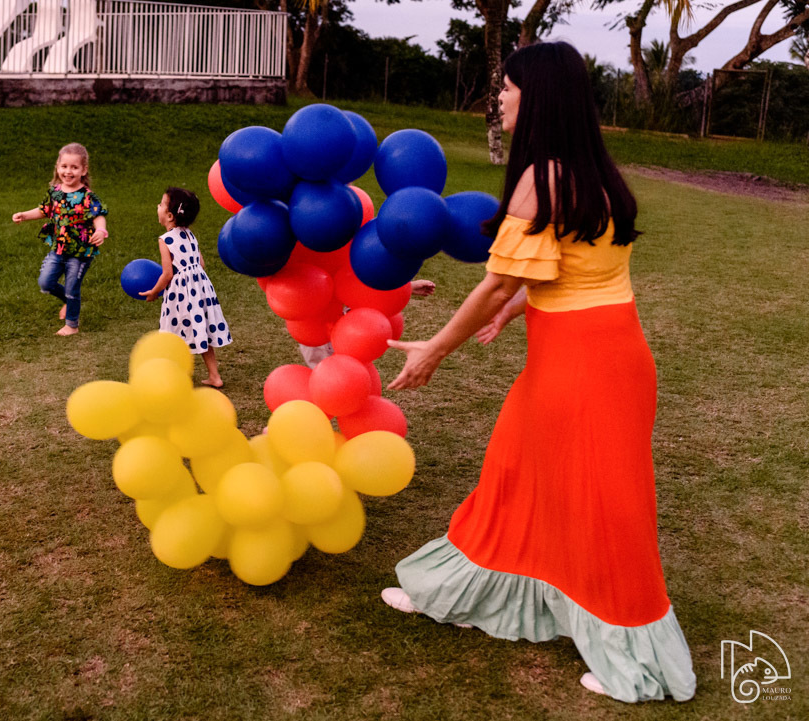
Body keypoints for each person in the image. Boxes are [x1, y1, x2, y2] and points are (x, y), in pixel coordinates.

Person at [381, 42, 695, 703]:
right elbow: (569, 269)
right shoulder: (595, 172)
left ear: (538, 96)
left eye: (507, 86)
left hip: (583, 367)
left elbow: (498, 282)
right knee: (515, 475)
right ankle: (464, 593)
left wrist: (434, 347)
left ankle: (637, 661)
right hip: (607, 356)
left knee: (605, 505)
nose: (499, 96)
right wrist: (519, 309)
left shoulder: (540, 179)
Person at [12, 142, 109, 336]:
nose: (68, 171)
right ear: (58, 167)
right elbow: (43, 210)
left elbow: (98, 215)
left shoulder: (88, 196)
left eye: (74, 167)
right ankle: (68, 300)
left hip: (81, 252)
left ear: (83, 170)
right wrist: (24, 215)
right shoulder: (55, 192)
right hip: (58, 249)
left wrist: (101, 230)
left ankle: (72, 325)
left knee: (73, 287)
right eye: (64, 166)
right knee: (45, 282)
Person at [140, 187, 231, 388]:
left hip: (180, 295)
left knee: (174, 333)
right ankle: (214, 376)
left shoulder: (165, 240)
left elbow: (167, 274)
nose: (157, 206)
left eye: (161, 204)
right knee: (201, 330)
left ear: (170, 216)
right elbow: (201, 264)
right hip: (200, 290)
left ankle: (174, 376)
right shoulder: (190, 235)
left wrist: (154, 292)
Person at [297, 279, 437, 368]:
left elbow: (366, 277)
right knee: (329, 378)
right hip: (318, 320)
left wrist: (404, 288)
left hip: (344, 321)